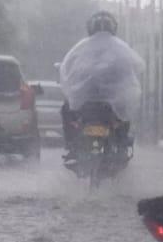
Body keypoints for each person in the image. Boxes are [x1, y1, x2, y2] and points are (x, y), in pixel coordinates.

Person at [59, 10, 143, 161]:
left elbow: (66, 68)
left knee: (66, 110)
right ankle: (121, 146)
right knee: (125, 115)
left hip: (87, 104)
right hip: (109, 105)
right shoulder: (120, 48)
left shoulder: (81, 48)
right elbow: (136, 67)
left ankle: (71, 145)